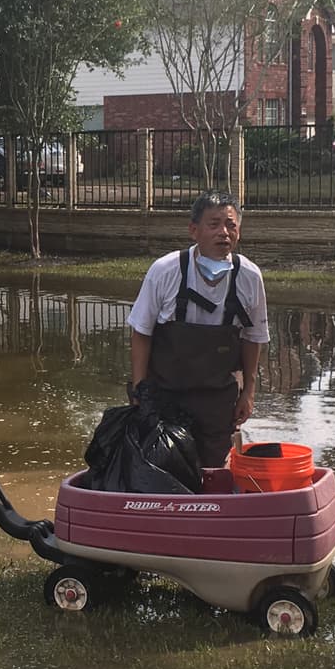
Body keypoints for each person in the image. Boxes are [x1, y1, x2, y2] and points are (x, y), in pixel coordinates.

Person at [126, 191, 270, 469]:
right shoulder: (165, 271)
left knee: (213, 470)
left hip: (216, 399)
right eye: (214, 224)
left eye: (231, 225)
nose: (223, 233)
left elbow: (254, 338)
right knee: (159, 469)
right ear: (194, 230)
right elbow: (141, 333)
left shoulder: (249, 277)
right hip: (164, 394)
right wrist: (140, 391)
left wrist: (248, 392)